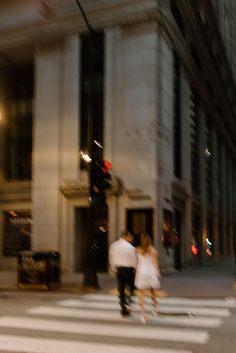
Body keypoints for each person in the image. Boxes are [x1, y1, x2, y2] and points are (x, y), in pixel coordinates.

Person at [135, 232, 161, 324]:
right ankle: (155, 307)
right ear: (150, 241)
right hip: (150, 272)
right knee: (153, 291)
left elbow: (137, 263)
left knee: (142, 295)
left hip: (141, 272)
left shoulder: (138, 250)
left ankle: (143, 315)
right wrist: (158, 272)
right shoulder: (153, 250)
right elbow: (155, 262)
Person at [109, 231, 137, 316]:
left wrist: (114, 268)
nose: (132, 239)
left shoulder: (114, 245)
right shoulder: (130, 247)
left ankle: (123, 305)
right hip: (128, 269)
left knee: (121, 287)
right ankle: (127, 300)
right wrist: (135, 268)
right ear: (126, 236)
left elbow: (111, 257)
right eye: (130, 237)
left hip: (119, 269)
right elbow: (134, 260)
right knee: (131, 286)